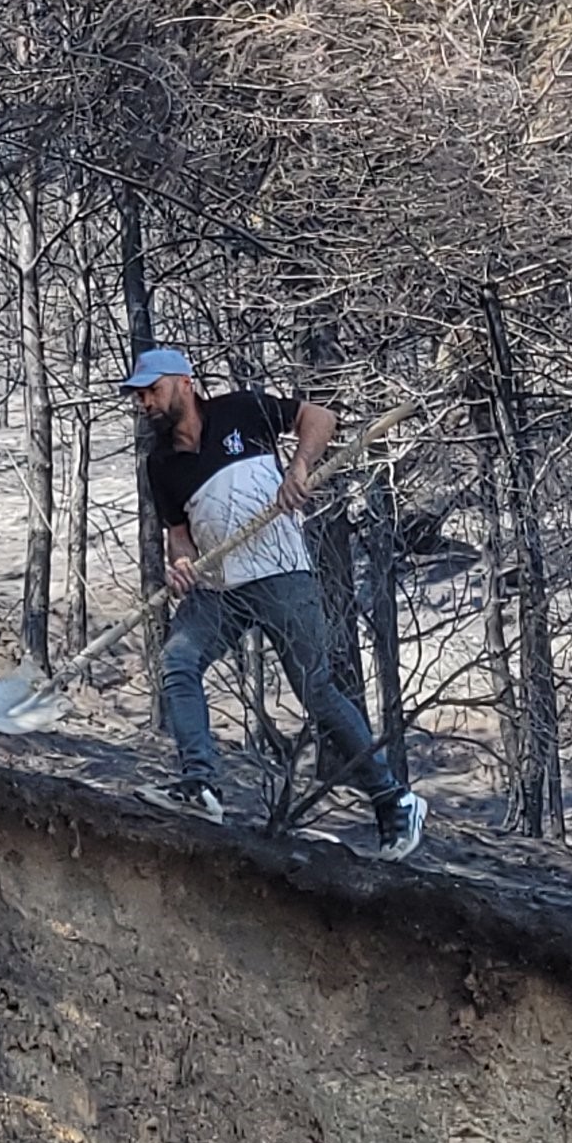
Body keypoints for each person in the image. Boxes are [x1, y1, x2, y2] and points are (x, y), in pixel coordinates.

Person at [120, 346, 427, 862]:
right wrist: (181, 563)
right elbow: (179, 534)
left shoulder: (241, 409)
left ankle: (394, 798)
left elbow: (319, 417)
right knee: (179, 659)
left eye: (153, 390)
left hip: (280, 571)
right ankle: (200, 786)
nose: (146, 402)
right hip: (220, 588)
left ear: (184, 383)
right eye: (141, 395)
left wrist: (299, 469)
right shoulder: (161, 464)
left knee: (316, 689)